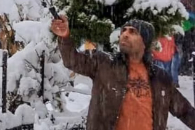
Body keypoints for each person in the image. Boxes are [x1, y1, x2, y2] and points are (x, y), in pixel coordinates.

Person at [51, 17, 195, 130]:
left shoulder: (160, 78)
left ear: (145, 42)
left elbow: (184, 111)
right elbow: (72, 60)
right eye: (124, 31)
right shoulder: (104, 64)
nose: (125, 34)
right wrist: (65, 37)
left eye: (133, 32)